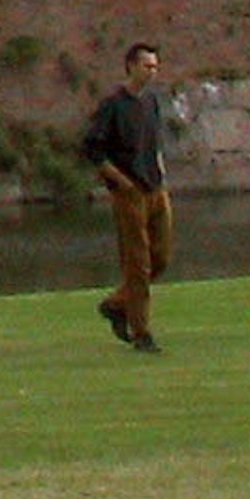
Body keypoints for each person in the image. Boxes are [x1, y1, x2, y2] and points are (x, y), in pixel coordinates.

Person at [79, 41, 172, 353]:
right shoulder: (113, 104)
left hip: (156, 189)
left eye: (156, 66)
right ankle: (142, 332)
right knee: (138, 264)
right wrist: (121, 182)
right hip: (129, 193)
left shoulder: (152, 102)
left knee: (162, 257)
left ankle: (117, 303)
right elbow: (93, 149)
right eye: (148, 66)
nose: (153, 72)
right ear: (131, 66)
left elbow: (154, 142)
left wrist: (160, 171)